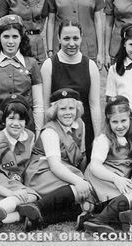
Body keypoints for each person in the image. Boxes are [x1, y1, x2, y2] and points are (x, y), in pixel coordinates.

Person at [19, 89, 95, 230]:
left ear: (77, 108)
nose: (67, 112)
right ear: (55, 111)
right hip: (42, 171)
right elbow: (55, 166)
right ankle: (35, 206)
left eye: (71, 108)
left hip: (65, 169)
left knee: (87, 197)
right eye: (62, 109)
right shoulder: (50, 131)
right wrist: (79, 181)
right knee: (77, 191)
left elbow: (82, 156)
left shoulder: (80, 124)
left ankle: (40, 219)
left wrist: (83, 179)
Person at [81, 96, 132, 235]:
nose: (120, 126)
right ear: (108, 122)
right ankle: (99, 220)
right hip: (101, 180)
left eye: (123, 121)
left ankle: (91, 218)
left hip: (118, 182)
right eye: (114, 122)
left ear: (130, 118)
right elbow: (94, 166)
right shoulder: (104, 139)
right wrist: (116, 179)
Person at [0, 97, 39, 231]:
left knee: (34, 197)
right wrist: (10, 194)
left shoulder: (29, 136)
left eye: (20, 119)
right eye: (11, 118)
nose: (16, 123)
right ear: (4, 120)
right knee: (27, 198)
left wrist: (21, 188)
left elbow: (27, 167)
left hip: (16, 182)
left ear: (26, 121)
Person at [41, 20, 102, 161]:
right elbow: (46, 105)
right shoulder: (49, 65)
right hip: (58, 129)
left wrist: (97, 137)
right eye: (66, 39)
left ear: (81, 37)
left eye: (76, 38)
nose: (72, 43)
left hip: (84, 128)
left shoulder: (90, 66)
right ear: (59, 38)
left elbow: (94, 105)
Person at [0, 14, 44, 141]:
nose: (10, 42)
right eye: (6, 37)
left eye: (15, 36)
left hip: (25, 126)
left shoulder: (31, 64)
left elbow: (38, 105)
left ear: (21, 38)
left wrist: (38, 134)